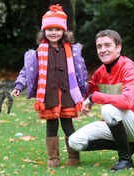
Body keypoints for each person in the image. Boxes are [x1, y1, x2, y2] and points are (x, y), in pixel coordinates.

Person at [68, 29, 134, 171]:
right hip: (118, 124)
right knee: (75, 141)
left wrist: (94, 97)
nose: (103, 50)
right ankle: (127, 147)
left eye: (107, 45)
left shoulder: (130, 68)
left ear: (118, 48)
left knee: (108, 108)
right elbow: (85, 93)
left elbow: (127, 102)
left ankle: (126, 160)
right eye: (99, 46)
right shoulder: (100, 72)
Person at [11, 4, 88, 168]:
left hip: (68, 95)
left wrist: (85, 89)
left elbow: (81, 71)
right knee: (51, 127)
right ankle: (53, 158)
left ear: (64, 31)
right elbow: (27, 71)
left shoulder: (72, 51)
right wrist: (19, 85)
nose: (54, 32)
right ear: (44, 31)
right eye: (50, 29)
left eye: (58, 29)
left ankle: (73, 156)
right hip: (49, 95)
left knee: (68, 126)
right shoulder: (39, 52)